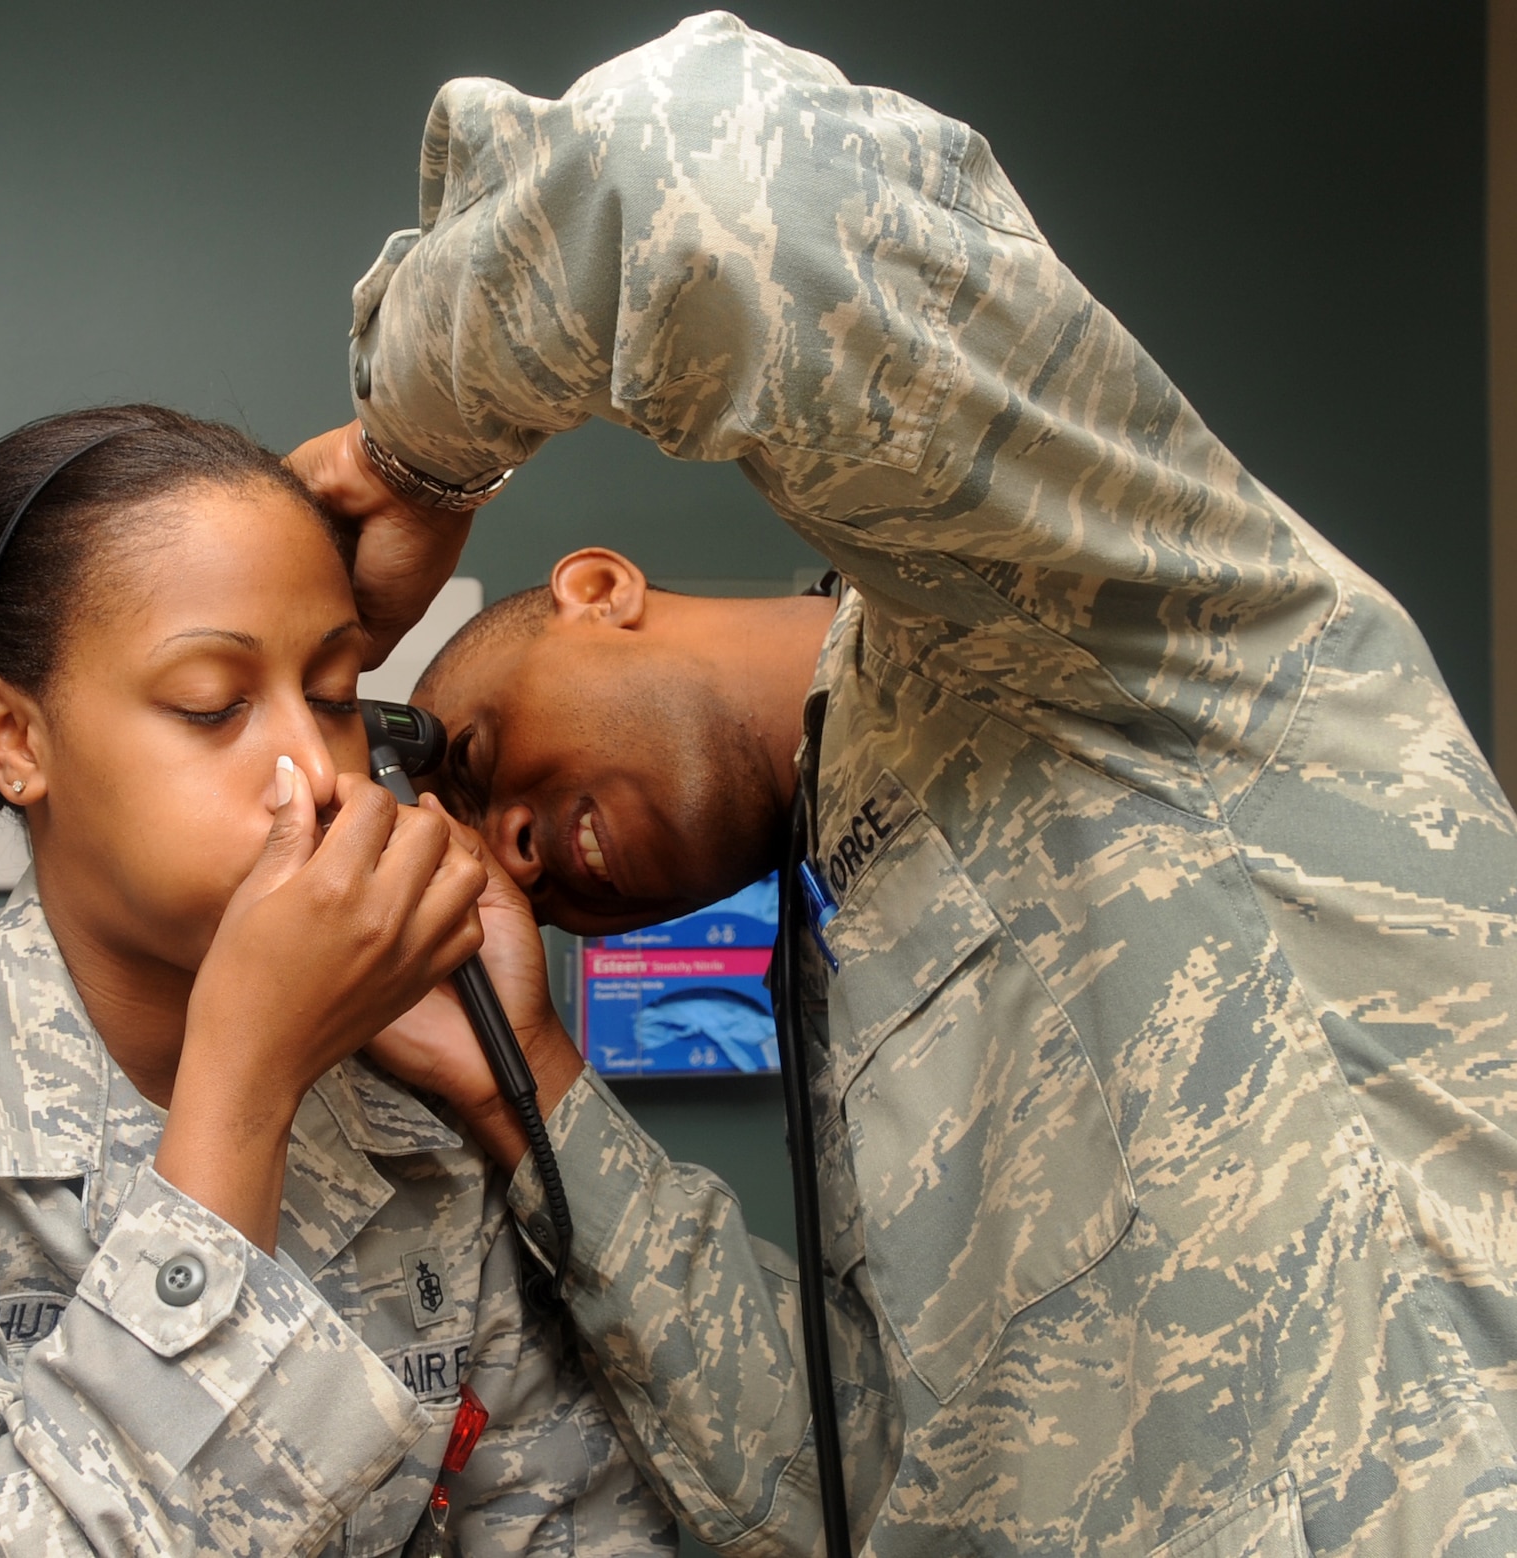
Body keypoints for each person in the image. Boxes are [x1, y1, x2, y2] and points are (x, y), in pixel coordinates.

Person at [290, 13, 1517, 1556]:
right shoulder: (846, 942)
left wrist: (415, 456)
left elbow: (696, 165)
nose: (516, 855)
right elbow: (855, 1491)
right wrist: (523, 1078)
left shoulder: (1074, 628)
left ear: (599, 586)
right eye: (498, 866)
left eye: (474, 762)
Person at [0, 405, 678, 1557]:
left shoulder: (425, 1102)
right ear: (14, 737)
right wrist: (242, 1085)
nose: (310, 766)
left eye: (338, 693)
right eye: (212, 703)